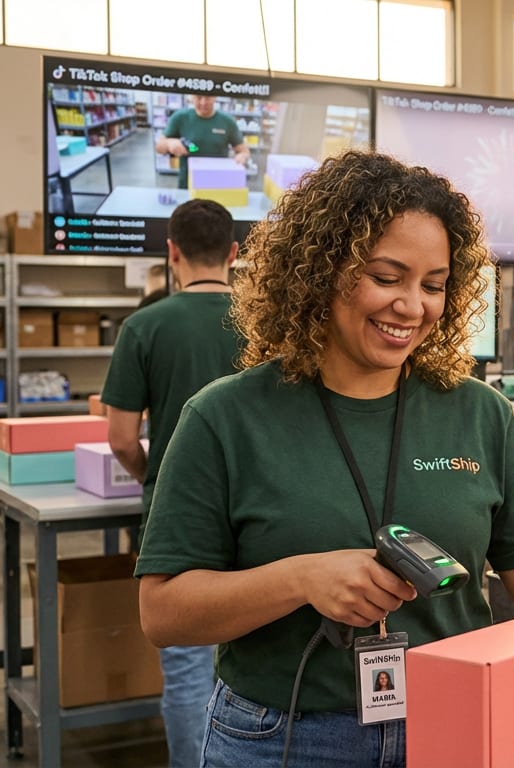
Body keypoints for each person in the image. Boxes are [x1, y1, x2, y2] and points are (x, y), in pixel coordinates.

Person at [133, 151, 514, 767]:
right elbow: (164, 610)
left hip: (456, 723)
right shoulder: (225, 417)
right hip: (285, 738)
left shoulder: (478, 413)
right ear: (318, 271)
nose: (412, 306)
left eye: (434, 285)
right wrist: (300, 579)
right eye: (387, 278)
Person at [101, 198, 242, 768]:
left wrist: (152, 479)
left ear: (172, 252)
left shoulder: (144, 326)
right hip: (266, 513)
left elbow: (118, 437)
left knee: (187, 665)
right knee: (256, 658)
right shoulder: (266, 323)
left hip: (179, 520)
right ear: (235, 254)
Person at [156, 94, 251, 189]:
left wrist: (242, 156)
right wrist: (169, 143)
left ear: (215, 97)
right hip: (188, 184)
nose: (203, 102)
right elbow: (159, 147)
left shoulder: (227, 121)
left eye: (208, 97)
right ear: (192, 97)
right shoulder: (180, 118)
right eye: (198, 97)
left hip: (219, 184)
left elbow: (244, 151)